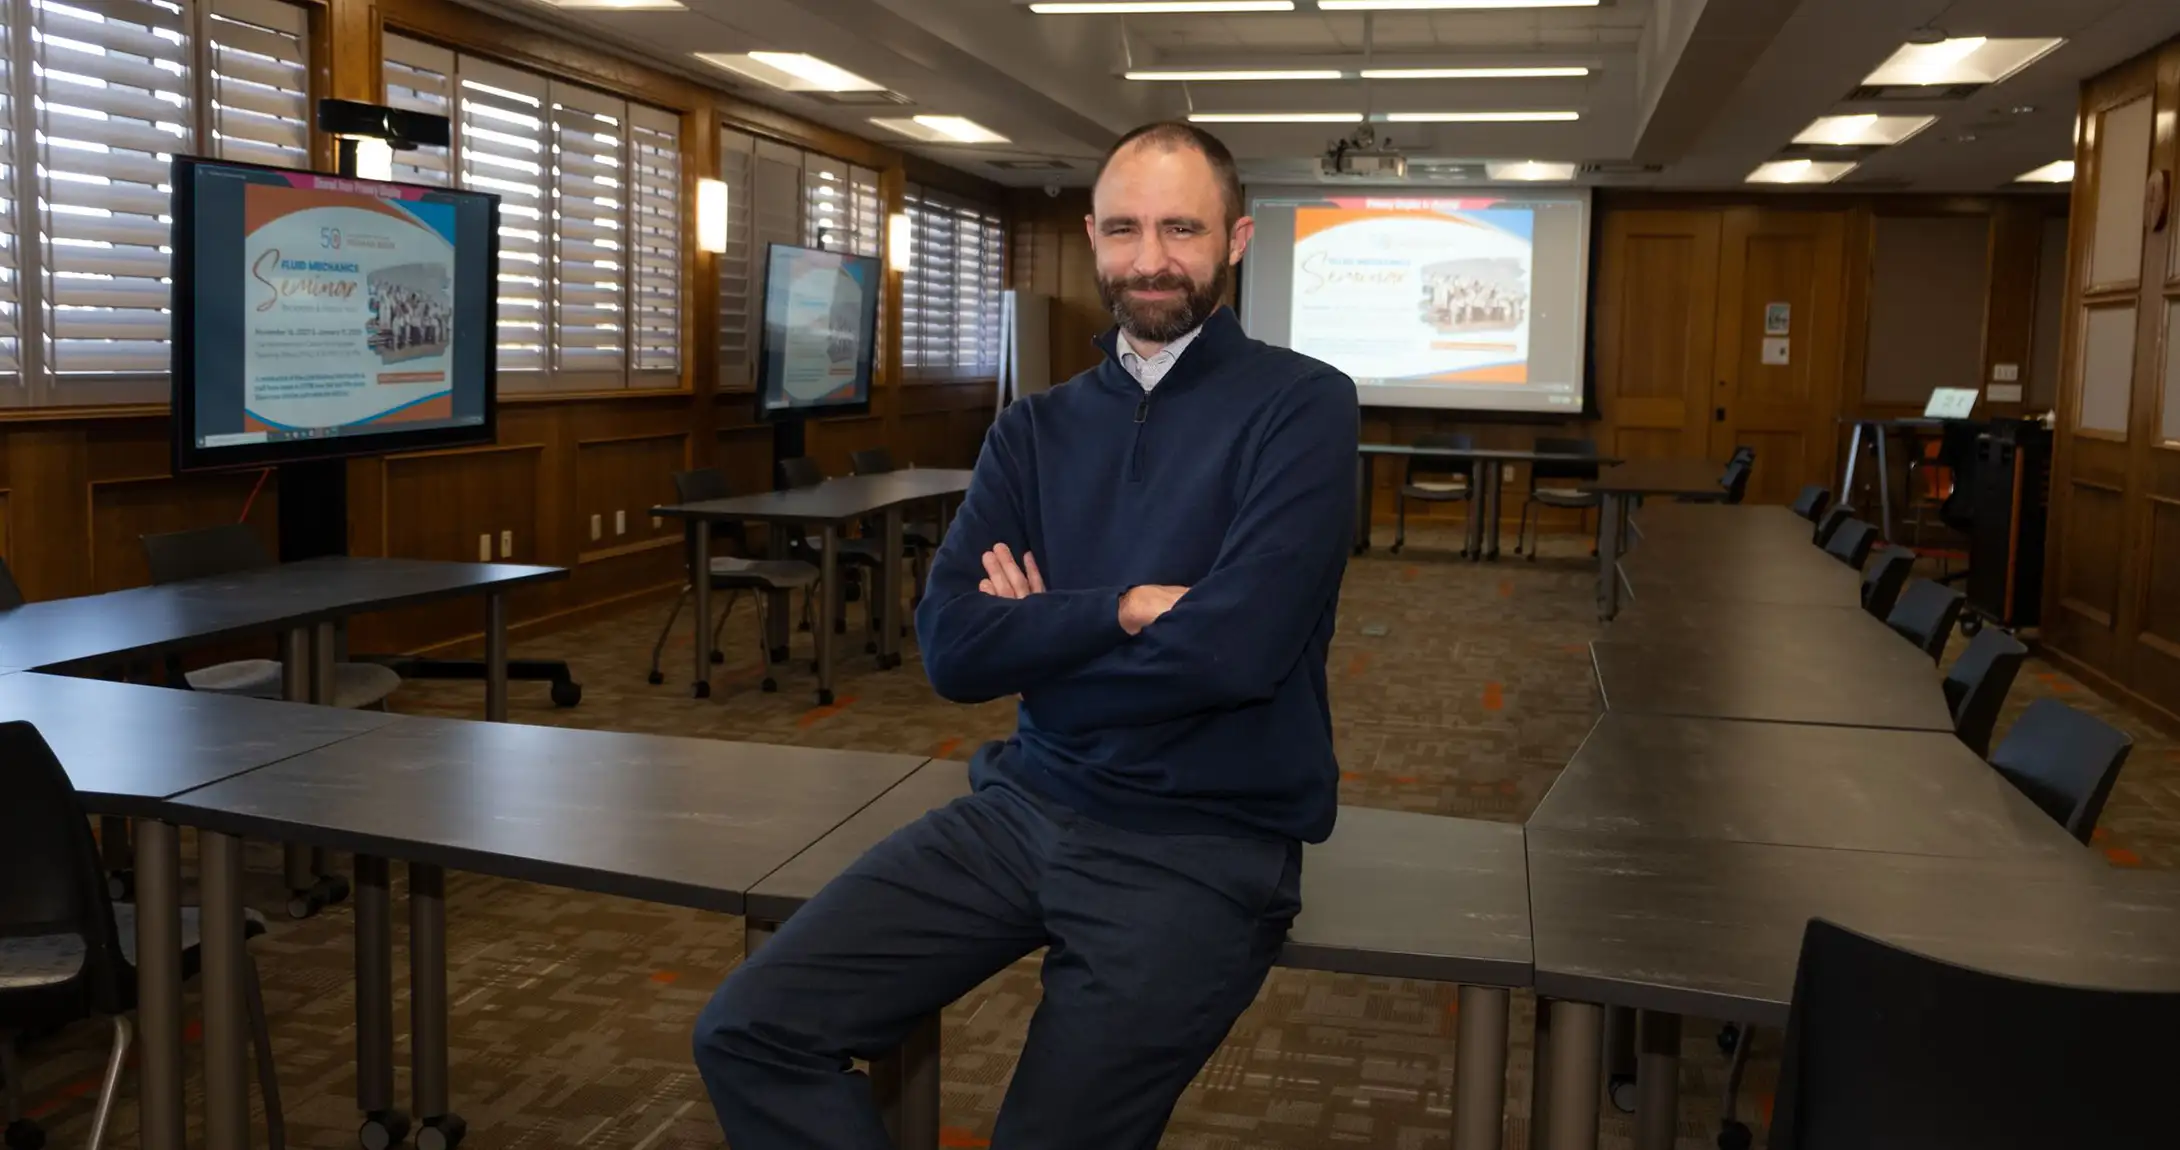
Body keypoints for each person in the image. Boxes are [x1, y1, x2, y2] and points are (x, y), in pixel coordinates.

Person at [691, 120, 1360, 1150]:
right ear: (1091, 235)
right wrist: (1123, 608)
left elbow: (1238, 650)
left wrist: (1040, 635)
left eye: (1180, 228)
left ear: (1236, 239)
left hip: (1199, 845)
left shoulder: (1301, 408)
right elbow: (955, 651)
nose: (1149, 260)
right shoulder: (1031, 429)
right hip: (1022, 808)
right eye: (1125, 229)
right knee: (748, 1029)